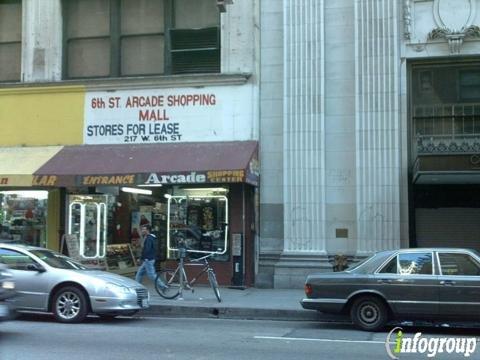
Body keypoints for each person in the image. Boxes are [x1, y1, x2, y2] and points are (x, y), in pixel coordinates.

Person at [135, 224, 167, 289]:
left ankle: (163, 286)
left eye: (144, 229)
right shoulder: (151, 237)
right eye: (142, 229)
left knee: (152, 275)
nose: (142, 230)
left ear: (147, 230)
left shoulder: (149, 238)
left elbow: (147, 249)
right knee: (139, 273)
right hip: (149, 259)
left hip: (148, 259)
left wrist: (141, 258)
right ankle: (136, 287)